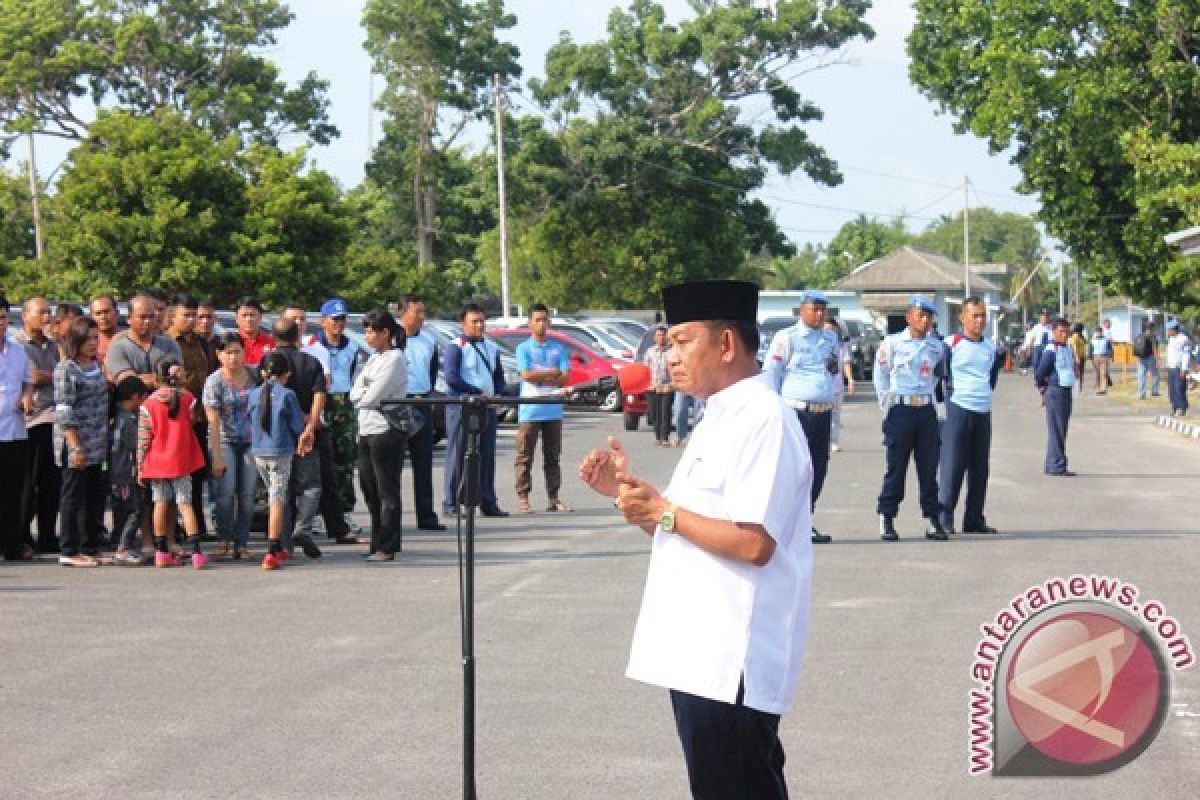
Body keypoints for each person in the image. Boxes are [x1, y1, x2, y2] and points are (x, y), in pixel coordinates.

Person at [579, 279, 812, 800]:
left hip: (733, 658)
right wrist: (633, 499)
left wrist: (663, 512)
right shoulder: (720, 415)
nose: (670, 354)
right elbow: (686, 525)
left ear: (726, 344)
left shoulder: (763, 419)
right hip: (700, 650)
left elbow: (755, 542)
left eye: (684, 341)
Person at [763, 289, 840, 544]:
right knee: (792, 470)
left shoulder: (830, 339)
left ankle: (805, 521)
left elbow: (832, 374)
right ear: (802, 310)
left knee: (818, 469)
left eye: (822, 310)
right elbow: (772, 374)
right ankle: (782, 524)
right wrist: (774, 411)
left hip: (822, 412)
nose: (819, 314)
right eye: (814, 309)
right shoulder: (787, 338)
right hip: (796, 412)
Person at [874, 295, 948, 541]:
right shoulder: (892, 343)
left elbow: (937, 377)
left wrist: (936, 406)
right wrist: (887, 407)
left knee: (929, 467)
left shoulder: (936, 346)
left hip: (925, 410)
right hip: (901, 409)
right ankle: (887, 517)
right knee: (896, 467)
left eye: (929, 316)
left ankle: (932, 519)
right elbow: (881, 376)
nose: (925, 320)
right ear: (909, 317)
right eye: (920, 315)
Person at [938, 298, 1002, 535]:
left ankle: (974, 518)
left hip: (982, 409)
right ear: (962, 318)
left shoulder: (991, 347)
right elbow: (939, 376)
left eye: (983, 315)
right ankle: (944, 518)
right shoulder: (950, 344)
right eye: (975, 316)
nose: (980, 320)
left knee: (980, 468)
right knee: (953, 466)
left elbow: (992, 378)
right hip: (958, 407)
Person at [136, 360, 209, 569]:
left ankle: (161, 552)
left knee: (159, 504)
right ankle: (196, 552)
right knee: (185, 504)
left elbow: (143, 439)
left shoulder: (148, 405)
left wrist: (140, 465)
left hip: (158, 461)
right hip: (182, 460)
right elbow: (195, 420)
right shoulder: (188, 399)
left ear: (157, 378)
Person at [350, 310, 411, 562]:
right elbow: (355, 393)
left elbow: (372, 396)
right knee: (369, 488)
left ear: (385, 333)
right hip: (366, 429)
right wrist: (363, 394)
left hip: (385, 431)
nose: (367, 336)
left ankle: (388, 545)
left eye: (371, 331)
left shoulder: (395, 358)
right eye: (365, 331)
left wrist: (364, 394)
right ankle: (377, 541)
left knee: (387, 490)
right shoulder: (374, 358)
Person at [54, 318, 110, 567]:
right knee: (73, 496)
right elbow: (64, 411)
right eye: (87, 339)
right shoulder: (67, 368)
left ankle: (90, 546)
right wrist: (75, 446)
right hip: (76, 441)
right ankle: (69, 548)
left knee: (94, 496)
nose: (92, 344)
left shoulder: (97, 365)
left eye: (95, 339)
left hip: (98, 440)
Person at [443, 303, 508, 518]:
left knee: (487, 456)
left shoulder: (491, 347)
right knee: (458, 454)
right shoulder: (455, 346)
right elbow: (452, 378)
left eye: (482, 321)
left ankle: (488, 502)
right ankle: (451, 504)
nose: (480, 325)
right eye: (475, 322)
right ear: (463, 324)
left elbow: (498, 376)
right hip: (463, 407)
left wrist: (497, 394)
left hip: (487, 407)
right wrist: (476, 392)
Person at [270, 318, 325, 559]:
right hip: (304, 433)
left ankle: (283, 544)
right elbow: (319, 396)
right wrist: (311, 426)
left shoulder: (268, 362)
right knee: (310, 486)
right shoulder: (311, 362)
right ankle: (303, 528)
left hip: (275, 434)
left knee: (280, 490)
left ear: (274, 336)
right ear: (297, 336)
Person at [311, 298, 367, 522]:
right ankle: (315, 513)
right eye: (334, 319)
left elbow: (353, 375)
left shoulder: (352, 347)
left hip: (343, 401)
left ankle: (344, 511)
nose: (338, 324)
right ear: (323, 321)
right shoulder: (313, 347)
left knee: (344, 459)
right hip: (321, 401)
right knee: (318, 460)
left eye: (342, 319)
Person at [204, 333, 259, 560]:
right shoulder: (214, 382)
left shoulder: (255, 375)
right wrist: (216, 456)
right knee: (224, 492)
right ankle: (223, 537)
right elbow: (213, 422)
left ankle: (242, 543)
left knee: (247, 494)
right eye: (228, 352)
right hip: (225, 440)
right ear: (219, 355)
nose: (234, 357)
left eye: (237, 351)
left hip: (252, 442)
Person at [513, 304, 572, 514]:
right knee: (524, 455)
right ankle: (523, 497)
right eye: (537, 320)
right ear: (529, 323)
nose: (541, 324)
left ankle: (553, 497)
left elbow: (566, 377)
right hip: (530, 409)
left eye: (545, 320)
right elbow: (526, 375)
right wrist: (552, 373)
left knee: (553, 457)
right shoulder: (523, 348)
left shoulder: (558, 348)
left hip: (553, 410)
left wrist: (546, 377)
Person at [249, 352, 305, 570]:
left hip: (258, 450)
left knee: (271, 493)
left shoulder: (253, 394)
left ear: (263, 372)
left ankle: (276, 546)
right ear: (287, 374)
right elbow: (297, 426)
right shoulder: (287, 394)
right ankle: (273, 549)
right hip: (280, 450)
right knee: (277, 499)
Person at [16, 297, 61, 555]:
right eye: (41, 312)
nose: (47, 317)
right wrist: (57, 375)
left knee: (51, 483)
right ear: (25, 316)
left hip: (56, 419)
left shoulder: (53, 346)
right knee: (28, 483)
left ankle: (47, 535)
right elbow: (32, 376)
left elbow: (68, 368)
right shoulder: (18, 344)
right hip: (33, 420)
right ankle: (20, 535)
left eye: (49, 312)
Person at [167, 293, 212, 539]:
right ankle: (174, 528)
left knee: (197, 472)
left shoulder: (201, 342)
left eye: (194, 314)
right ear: (172, 316)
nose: (192, 319)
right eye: (187, 315)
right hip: (176, 416)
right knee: (175, 474)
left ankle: (197, 526)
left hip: (200, 416)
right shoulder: (166, 342)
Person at [399, 293, 445, 531]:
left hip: (421, 402)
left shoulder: (429, 341)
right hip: (398, 402)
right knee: (394, 463)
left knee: (423, 461)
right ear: (402, 313)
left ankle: (426, 516)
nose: (421, 317)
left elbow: (432, 372)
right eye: (416, 311)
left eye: (423, 312)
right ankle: (392, 518)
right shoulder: (393, 339)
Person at [0, 299, 35, 562]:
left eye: (2, 318)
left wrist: (27, 396)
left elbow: (27, 383)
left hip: (14, 429)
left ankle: (12, 544)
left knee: (13, 492)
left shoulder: (17, 351)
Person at [104, 294, 183, 388]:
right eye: (142, 317)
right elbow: (129, 382)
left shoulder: (170, 344)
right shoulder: (118, 347)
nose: (147, 321)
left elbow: (180, 376)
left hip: (167, 401)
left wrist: (147, 379)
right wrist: (163, 379)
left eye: (151, 317)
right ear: (129, 318)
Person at [110, 376, 149, 566]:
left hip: (118, 473)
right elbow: (135, 444)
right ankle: (123, 548)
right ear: (135, 397)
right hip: (126, 473)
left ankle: (121, 544)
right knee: (134, 510)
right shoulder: (128, 420)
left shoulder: (116, 416)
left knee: (125, 511)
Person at [1035, 318, 1077, 476]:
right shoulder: (1051, 349)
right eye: (1061, 332)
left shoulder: (1066, 348)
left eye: (1067, 332)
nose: (1064, 335)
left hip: (1066, 390)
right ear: (1054, 331)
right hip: (1055, 391)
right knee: (1057, 429)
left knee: (1061, 428)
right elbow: (1040, 372)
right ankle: (1056, 465)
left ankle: (1054, 462)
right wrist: (1042, 388)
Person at [824, 317, 855, 453]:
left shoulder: (842, 346)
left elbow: (846, 363)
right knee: (822, 416)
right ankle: (822, 441)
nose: (830, 332)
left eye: (832, 329)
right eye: (827, 329)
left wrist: (850, 380)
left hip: (837, 387)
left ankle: (833, 441)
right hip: (822, 389)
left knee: (835, 417)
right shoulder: (819, 345)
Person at [643, 325, 673, 445]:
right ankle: (657, 436)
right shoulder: (650, 352)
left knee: (665, 411)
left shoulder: (671, 351)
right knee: (654, 413)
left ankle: (665, 437)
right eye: (658, 335)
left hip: (666, 386)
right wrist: (646, 384)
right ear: (655, 338)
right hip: (652, 386)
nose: (661, 338)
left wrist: (672, 384)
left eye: (663, 335)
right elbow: (645, 369)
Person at [234, 296, 275, 370]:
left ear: (260, 318)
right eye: (244, 315)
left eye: (252, 315)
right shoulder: (231, 342)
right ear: (237, 319)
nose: (248, 319)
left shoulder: (272, 342)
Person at [1165, 319, 1191, 416]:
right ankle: (1175, 407)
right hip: (1171, 368)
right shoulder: (1171, 339)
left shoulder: (1184, 339)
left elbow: (1186, 355)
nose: (1168, 332)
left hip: (1179, 368)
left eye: (1169, 330)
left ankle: (1183, 408)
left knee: (1179, 388)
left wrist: (1184, 369)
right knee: (1171, 390)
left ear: (1174, 330)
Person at [89, 294, 123, 362]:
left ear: (117, 313)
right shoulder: (84, 343)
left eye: (106, 312)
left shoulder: (130, 338)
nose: (103, 317)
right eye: (98, 313)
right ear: (91, 317)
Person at [1022, 309, 1052, 375]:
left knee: (1046, 363)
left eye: (1046, 317)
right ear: (1040, 318)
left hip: (1048, 347)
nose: (1045, 318)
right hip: (1038, 347)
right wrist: (1030, 349)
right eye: (1043, 317)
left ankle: (1044, 376)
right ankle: (1037, 376)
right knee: (1036, 363)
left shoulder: (1051, 327)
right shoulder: (1036, 327)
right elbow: (1032, 339)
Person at [1135, 322, 1161, 400]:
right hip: (1151, 358)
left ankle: (1141, 394)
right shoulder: (1153, 336)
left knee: (1141, 376)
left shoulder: (1140, 336)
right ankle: (1154, 391)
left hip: (1141, 358)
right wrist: (1158, 359)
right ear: (1152, 328)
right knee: (1155, 374)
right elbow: (1154, 349)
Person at [1089, 324, 1112, 394]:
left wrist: (1110, 356)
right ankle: (1098, 387)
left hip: (1104, 357)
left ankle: (1103, 389)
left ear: (1102, 332)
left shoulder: (1106, 340)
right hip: (1095, 357)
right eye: (1097, 332)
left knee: (1104, 373)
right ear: (1095, 333)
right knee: (1098, 373)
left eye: (1100, 332)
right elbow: (1090, 349)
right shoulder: (1092, 340)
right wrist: (1090, 357)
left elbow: (1110, 349)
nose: (1098, 333)